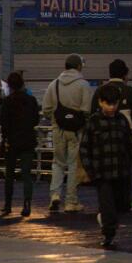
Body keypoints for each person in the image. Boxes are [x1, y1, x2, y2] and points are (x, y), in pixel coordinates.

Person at [80, 83, 132, 248]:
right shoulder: (93, 122)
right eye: (108, 103)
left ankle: (107, 222)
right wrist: (91, 171)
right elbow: (84, 148)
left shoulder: (121, 120)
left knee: (120, 206)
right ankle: (108, 234)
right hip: (102, 173)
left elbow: (130, 146)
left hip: (120, 172)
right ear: (101, 102)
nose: (111, 107)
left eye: (114, 103)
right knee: (109, 205)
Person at [92, 59, 132, 211]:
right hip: (126, 135)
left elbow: (92, 113)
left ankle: (108, 200)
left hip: (102, 137)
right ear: (125, 73)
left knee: (106, 169)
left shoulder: (100, 91)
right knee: (128, 168)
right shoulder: (130, 91)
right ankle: (129, 199)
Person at [42, 53, 92, 212]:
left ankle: (55, 195)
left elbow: (46, 109)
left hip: (58, 129)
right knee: (73, 165)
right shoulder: (84, 85)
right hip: (77, 131)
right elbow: (87, 111)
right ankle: (71, 202)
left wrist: (56, 120)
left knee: (58, 163)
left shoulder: (53, 84)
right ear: (79, 67)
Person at [0, 71, 40, 217]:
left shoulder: (7, 102)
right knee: (26, 174)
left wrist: (6, 138)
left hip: (12, 142)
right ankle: (27, 204)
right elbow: (36, 120)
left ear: (9, 86)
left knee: (9, 174)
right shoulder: (32, 100)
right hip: (28, 140)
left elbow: (3, 123)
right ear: (22, 83)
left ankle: (8, 205)